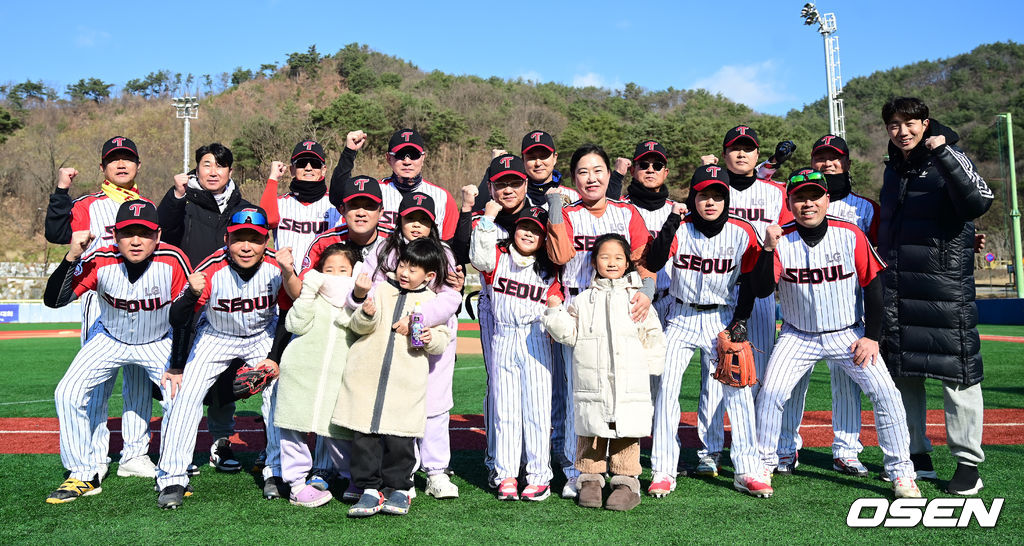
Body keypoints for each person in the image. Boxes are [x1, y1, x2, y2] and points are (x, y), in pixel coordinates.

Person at [752, 170, 921, 499]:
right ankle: (763, 464)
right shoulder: (781, 238)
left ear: (827, 199)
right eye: (800, 197)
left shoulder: (850, 234)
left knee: (886, 395)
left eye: (814, 196)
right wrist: (768, 249)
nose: (808, 203)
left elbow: (874, 285)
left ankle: (901, 471)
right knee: (771, 394)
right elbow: (761, 289)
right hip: (797, 335)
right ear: (790, 203)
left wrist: (872, 336)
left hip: (847, 334)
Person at [877, 97, 993, 495]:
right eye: (894, 124)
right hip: (899, 287)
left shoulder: (950, 155)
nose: (902, 131)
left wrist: (944, 153)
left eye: (910, 123)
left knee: (957, 374)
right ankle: (915, 455)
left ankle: (967, 462)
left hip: (945, 289)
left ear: (926, 124)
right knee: (903, 375)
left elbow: (979, 201)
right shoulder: (893, 170)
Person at [42, 199, 190, 503]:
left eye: (144, 233)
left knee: (181, 398)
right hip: (109, 338)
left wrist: (177, 364)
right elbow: (54, 300)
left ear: (158, 235)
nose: (136, 241)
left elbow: (188, 315)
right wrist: (71, 256)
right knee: (67, 392)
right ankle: (83, 474)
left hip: (157, 340)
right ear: (115, 235)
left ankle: (173, 474)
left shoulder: (173, 260)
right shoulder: (99, 258)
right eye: (127, 233)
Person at [643, 165, 773, 499]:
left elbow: (756, 284)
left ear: (726, 198)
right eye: (703, 195)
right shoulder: (680, 227)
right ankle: (663, 469)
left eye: (717, 195)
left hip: (721, 317)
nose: (710, 202)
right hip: (681, 315)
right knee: (665, 390)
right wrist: (671, 221)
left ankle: (747, 469)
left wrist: (740, 321)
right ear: (693, 197)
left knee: (738, 392)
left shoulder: (743, 231)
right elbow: (655, 263)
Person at [762, 135, 881, 477]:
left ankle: (846, 450)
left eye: (834, 158)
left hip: (848, 310)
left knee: (847, 384)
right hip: (800, 314)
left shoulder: (865, 207)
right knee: (791, 384)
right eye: (821, 158)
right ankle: (786, 448)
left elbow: (874, 263)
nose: (827, 163)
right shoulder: (798, 201)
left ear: (846, 163)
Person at [155, 207, 288, 509]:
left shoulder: (276, 267)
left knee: (279, 392)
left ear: (266, 241)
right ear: (227, 239)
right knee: (184, 393)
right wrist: (177, 365)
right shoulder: (212, 267)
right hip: (216, 335)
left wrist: (274, 358)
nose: (246, 246)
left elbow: (287, 315)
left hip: (261, 336)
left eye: (254, 239)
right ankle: (172, 476)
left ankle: (276, 471)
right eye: (239, 238)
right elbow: (179, 317)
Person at [43, 136, 159, 480]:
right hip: (100, 294)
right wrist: (61, 192)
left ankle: (134, 454)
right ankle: (93, 456)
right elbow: (55, 232)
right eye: (113, 160)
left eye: (127, 159)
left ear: (138, 165)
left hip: (143, 296)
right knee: (96, 381)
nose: (121, 164)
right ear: (103, 167)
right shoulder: (88, 204)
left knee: (139, 380)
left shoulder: (147, 205)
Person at [544, 144, 656, 498]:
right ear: (573, 178)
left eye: (597, 171)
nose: (591, 178)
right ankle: (576, 470)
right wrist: (557, 208)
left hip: (623, 305)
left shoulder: (626, 212)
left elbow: (644, 256)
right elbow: (560, 255)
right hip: (580, 304)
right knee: (577, 393)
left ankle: (622, 471)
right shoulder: (568, 211)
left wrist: (648, 290)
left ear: (610, 175)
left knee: (620, 389)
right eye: (582, 172)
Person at [701, 126, 800, 476]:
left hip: (758, 291)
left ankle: (759, 449)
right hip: (719, 289)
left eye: (748, 149)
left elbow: (789, 236)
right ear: (724, 153)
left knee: (758, 374)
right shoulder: (714, 189)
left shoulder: (775, 192)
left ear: (757, 156)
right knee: (715, 375)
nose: (741, 154)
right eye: (735, 148)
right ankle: (709, 451)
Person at [543, 234, 666, 511]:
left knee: (626, 429)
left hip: (629, 379)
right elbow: (569, 334)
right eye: (604, 257)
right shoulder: (584, 300)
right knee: (591, 428)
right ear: (594, 261)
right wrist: (554, 312)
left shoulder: (637, 299)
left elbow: (653, 334)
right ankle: (590, 480)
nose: (611, 263)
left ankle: (625, 482)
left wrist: (652, 369)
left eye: (618, 257)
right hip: (592, 380)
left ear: (627, 263)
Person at [333, 238, 452, 518]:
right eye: (402, 265)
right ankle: (369, 490)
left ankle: (399, 489)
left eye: (413, 269)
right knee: (365, 438)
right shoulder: (381, 291)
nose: (404, 272)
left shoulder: (431, 302)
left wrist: (429, 337)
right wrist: (366, 313)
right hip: (366, 379)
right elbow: (358, 327)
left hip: (404, 384)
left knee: (400, 441)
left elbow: (442, 340)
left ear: (429, 276)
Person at [157, 142, 255, 473]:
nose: (213, 171)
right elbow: (163, 228)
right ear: (196, 168)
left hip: (226, 306)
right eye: (206, 164)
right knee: (178, 376)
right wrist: (176, 194)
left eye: (220, 166)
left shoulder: (242, 206)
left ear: (231, 171)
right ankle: (175, 450)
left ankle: (221, 443)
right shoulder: (184, 201)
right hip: (188, 302)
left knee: (223, 381)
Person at [371, 191, 465, 499]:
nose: (416, 226)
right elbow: (373, 288)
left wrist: (418, 317)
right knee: (400, 407)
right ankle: (404, 474)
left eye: (423, 220)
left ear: (433, 224)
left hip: (433, 341)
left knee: (435, 409)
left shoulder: (444, 253)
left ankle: (437, 472)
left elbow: (452, 296)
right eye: (411, 219)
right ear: (400, 220)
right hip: (394, 340)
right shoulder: (385, 250)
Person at [470, 203, 562, 501]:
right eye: (524, 227)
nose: (528, 233)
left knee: (536, 411)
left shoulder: (551, 269)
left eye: (536, 230)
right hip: (504, 337)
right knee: (505, 410)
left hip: (536, 339)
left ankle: (538, 475)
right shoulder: (498, 257)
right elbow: (477, 255)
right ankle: (506, 474)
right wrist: (488, 217)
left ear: (544, 237)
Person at [275, 243, 371, 508]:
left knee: (340, 431)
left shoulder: (358, 300)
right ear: (318, 273)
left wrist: (359, 299)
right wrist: (307, 290)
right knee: (293, 428)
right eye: (329, 270)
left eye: (343, 270)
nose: (335, 275)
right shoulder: (313, 297)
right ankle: (296, 485)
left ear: (356, 271)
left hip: (340, 376)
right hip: (300, 373)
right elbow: (294, 324)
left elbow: (363, 329)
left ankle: (353, 477)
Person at [621, 139, 676, 325]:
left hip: (670, 302)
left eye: (657, 165)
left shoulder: (677, 212)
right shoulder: (617, 208)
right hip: (630, 301)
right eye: (644, 165)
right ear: (632, 170)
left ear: (665, 173)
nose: (651, 169)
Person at [378, 128, 458, 239]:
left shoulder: (443, 198)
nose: (407, 162)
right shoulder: (375, 191)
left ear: (423, 158)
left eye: (414, 155)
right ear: (388, 158)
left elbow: (449, 245)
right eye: (400, 155)